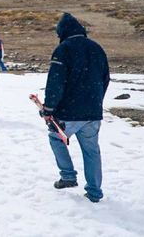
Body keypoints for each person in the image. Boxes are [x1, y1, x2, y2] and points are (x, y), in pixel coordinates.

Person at [41, 12, 110, 203]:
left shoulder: (63, 50)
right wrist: (95, 101)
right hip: (92, 112)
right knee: (91, 151)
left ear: (62, 32)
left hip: (69, 113)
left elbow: (55, 82)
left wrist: (49, 108)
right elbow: (105, 78)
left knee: (56, 138)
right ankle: (95, 191)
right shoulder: (97, 48)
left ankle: (68, 176)